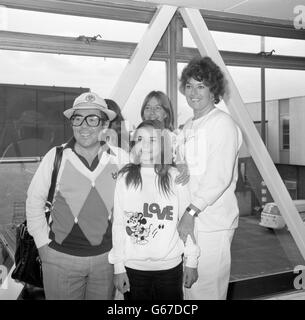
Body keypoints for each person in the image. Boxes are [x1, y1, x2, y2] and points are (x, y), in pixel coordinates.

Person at [26, 92, 129, 300]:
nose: (84, 125)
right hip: (60, 259)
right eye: (77, 118)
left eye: (92, 119)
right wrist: (43, 246)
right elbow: (34, 202)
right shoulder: (55, 156)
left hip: (105, 260)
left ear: (104, 125)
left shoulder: (121, 158)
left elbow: (143, 189)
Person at [108, 120, 199, 300]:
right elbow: (118, 224)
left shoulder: (175, 178)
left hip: (170, 269)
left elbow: (187, 225)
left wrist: (192, 260)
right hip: (133, 269)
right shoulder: (124, 177)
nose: (146, 146)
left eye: (153, 140)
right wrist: (118, 266)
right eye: (140, 139)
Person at [177, 56, 243, 300]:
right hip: (190, 221)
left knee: (206, 292)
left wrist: (190, 212)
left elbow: (219, 177)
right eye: (190, 86)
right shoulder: (187, 126)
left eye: (201, 86)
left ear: (213, 90)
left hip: (211, 224)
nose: (194, 92)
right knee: (189, 292)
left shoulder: (222, 124)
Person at [140, 90, 188, 185]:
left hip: (165, 189)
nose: (152, 112)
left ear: (166, 114)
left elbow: (180, 162)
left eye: (157, 108)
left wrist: (183, 169)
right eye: (148, 108)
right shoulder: (136, 138)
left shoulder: (174, 140)